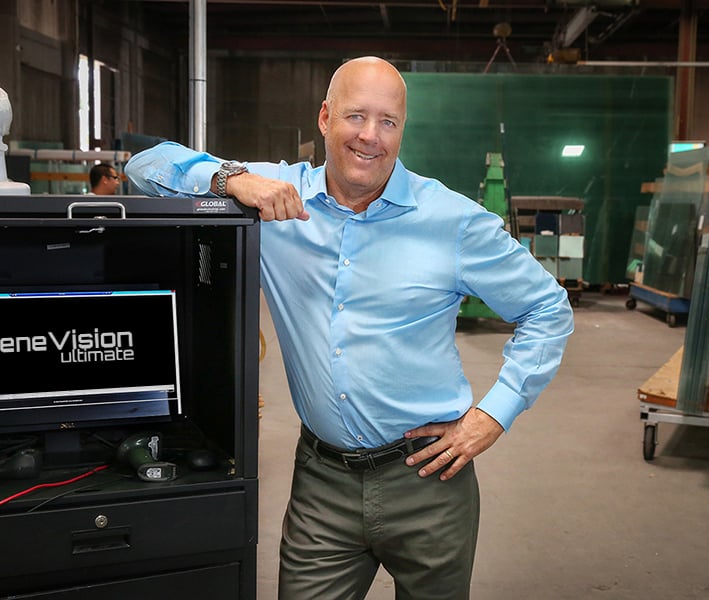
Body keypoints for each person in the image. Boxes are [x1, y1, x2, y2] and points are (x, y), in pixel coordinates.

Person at [126, 56, 573, 599]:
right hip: (323, 481)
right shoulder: (274, 198)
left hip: (429, 480)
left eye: (388, 121)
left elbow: (548, 308)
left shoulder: (452, 222)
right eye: (356, 116)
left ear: (402, 129)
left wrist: (492, 416)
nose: (370, 136)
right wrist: (231, 179)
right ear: (324, 118)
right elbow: (146, 165)